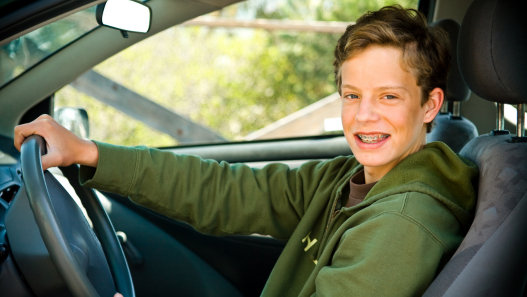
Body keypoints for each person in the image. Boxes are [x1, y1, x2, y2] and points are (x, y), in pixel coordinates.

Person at [14, 5, 478, 297]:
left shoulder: (403, 224)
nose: (364, 116)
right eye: (352, 95)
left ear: (429, 105)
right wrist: (91, 152)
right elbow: (225, 190)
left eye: (389, 97)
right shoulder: (349, 179)